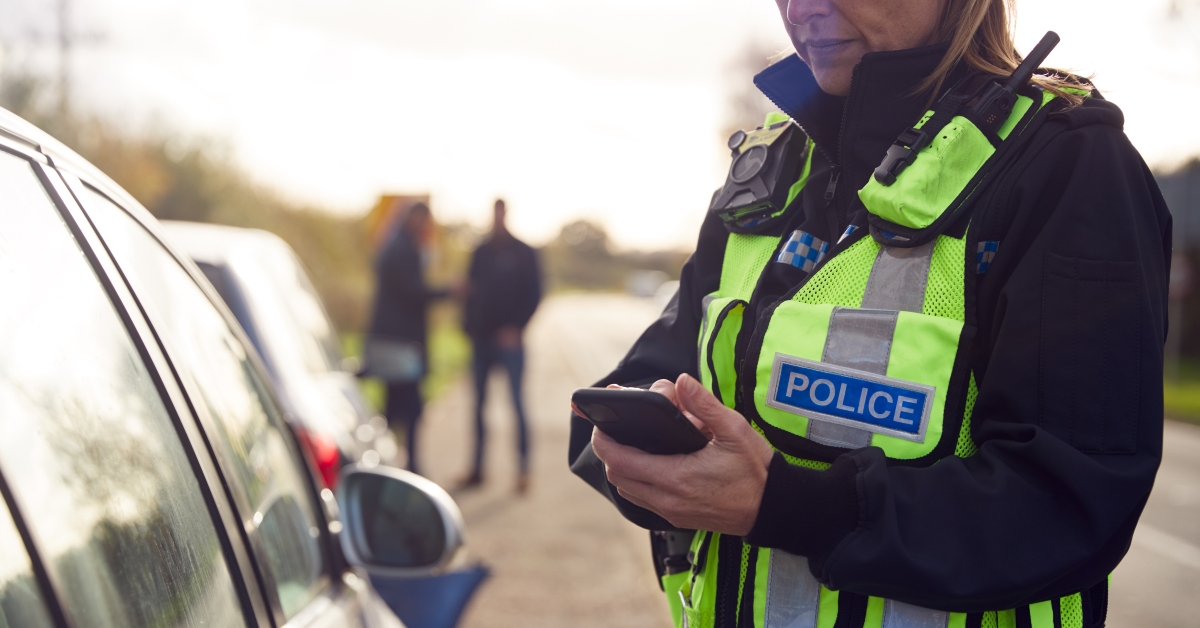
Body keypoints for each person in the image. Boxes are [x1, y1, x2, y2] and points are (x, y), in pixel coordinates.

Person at [568, 0, 1170, 627]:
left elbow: (1067, 505)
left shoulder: (1069, 165)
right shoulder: (770, 166)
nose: (802, 7)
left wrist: (783, 505)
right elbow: (628, 391)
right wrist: (646, 464)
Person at [463, 199, 542, 492]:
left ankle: (523, 470)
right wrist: (468, 327)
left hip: (510, 342)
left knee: (517, 404)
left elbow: (535, 294)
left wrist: (517, 328)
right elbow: (469, 290)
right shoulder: (481, 251)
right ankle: (477, 469)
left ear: (506, 214)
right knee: (478, 406)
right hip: (481, 341)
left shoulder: (524, 252)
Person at [365, 201, 448, 475]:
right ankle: (405, 467)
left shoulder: (395, 244)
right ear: (414, 218)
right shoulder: (403, 248)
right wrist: (449, 291)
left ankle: (387, 464)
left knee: (396, 406)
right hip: (400, 345)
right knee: (408, 408)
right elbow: (414, 292)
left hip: (395, 343)